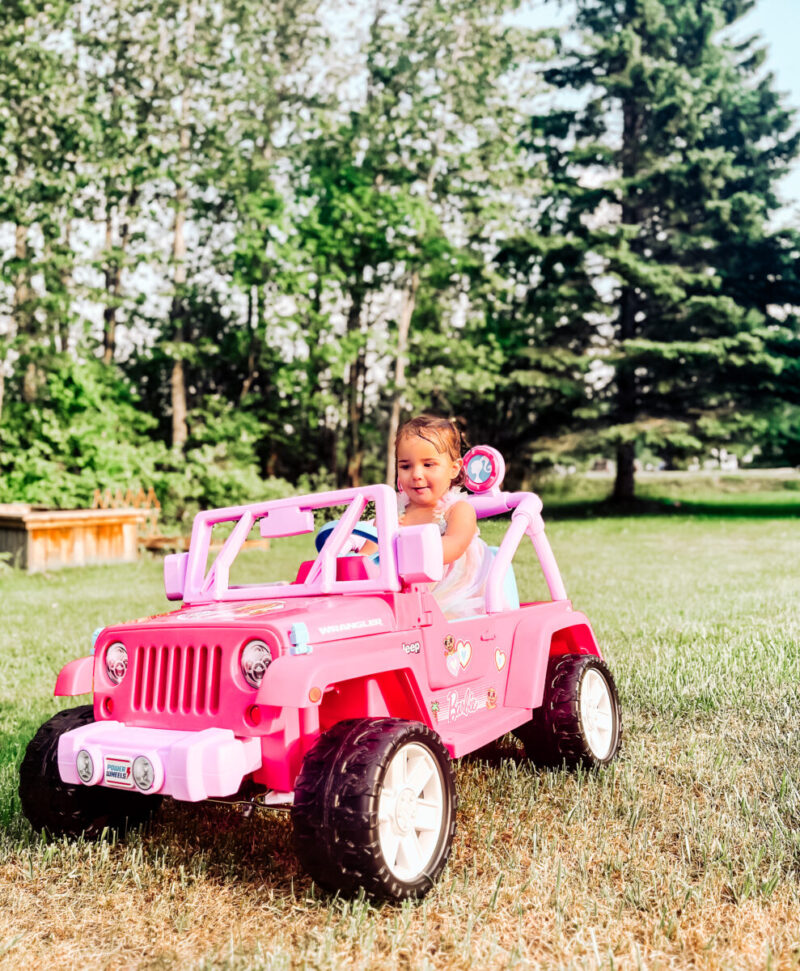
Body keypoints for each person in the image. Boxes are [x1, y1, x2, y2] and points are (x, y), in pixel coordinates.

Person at [392, 414, 493, 619]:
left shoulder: (458, 510)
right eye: (405, 466)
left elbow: (454, 546)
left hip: (450, 595)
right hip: (402, 591)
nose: (416, 474)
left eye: (428, 465)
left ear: (453, 469)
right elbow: (373, 546)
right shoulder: (395, 511)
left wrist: (404, 551)